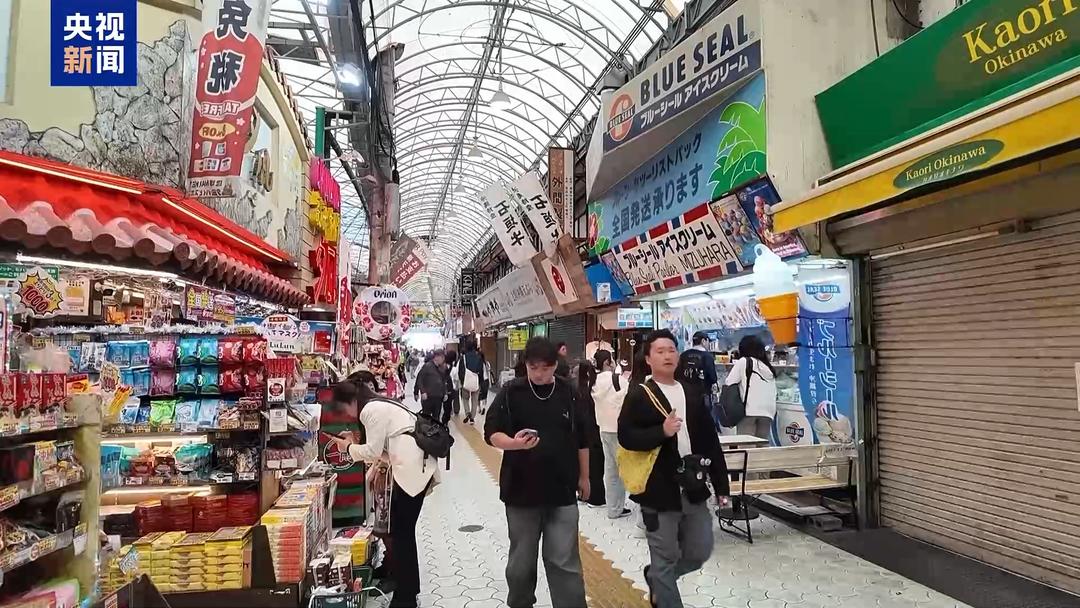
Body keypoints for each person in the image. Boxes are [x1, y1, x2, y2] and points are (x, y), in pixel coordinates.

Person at [618, 330, 730, 608]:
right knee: (665, 557)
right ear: (648, 359)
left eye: (671, 350)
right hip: (658, 490)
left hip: (693, 485)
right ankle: (663, 581)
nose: (667, 355)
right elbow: (626, 437)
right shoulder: (640, 395)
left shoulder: (691, 392)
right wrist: (662, 431)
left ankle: (658, 578)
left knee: (699, 551)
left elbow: (710, 441)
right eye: (660, 351)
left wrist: (722, 487)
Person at [484, 337, 590, 608]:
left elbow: (583, 438)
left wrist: (585, 477)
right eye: (534, 368)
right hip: (521, 491)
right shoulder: (511, 392)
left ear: (556, 365)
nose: (540, 374)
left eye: (546, 368)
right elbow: (491, 433)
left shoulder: (569, 392)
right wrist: (515, 444)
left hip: (563, 489)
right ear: (526, 365)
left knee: (564, 560)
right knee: (521, 562)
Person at [327, 380, 439, 608]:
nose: (347, 414)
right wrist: (354, 443)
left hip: (411, 472)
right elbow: (383, 450)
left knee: (402, 534)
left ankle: (406, 598)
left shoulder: (370, 410)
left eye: (344, 408)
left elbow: (372, 451)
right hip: (414, 467)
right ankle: (408, 591)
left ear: (351, 401)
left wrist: (347, 447)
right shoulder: (380, 404)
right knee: (403, 533)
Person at [591, 350, 631, 519]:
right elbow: (629, 398)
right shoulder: (617, 379)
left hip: (603, 428)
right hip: (618, 428)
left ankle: (613, 509)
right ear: (608, 362)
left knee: (610, 470)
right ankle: (619, 507)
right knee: (623, 469)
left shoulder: (594, 381)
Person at [724, 334, 777, 441]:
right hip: (768, 413)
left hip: (749, 411)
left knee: (746, 445)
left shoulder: (744, 361)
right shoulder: (768, 367)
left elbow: (729, 382)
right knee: (760, 446)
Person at [575, 361, 607, 509]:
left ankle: (583, 494)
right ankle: (596, 497)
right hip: (596, 427)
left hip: (582, 430)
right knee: (597, 465)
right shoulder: (595, 387)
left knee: (585, 464)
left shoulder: (577, 388)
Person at [677, 331, 720, 429]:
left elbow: (677, 375)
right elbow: (713, 378)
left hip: (685, 395)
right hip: (703, 396)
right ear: (703, 341)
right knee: (704, 424)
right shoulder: (707, 356)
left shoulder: (683, 355)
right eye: (708, 341)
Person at [457, 337, 487, 424]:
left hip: (466, 381)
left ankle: (467, 413)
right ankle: (472, 418)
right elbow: (481, 371)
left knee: (465, 398)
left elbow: (460, 370)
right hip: (476, 381)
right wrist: (480, 381)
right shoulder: (479, 357)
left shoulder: (463, 357)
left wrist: (462, 380)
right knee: (475, 399)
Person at [415, 349, 446, 418]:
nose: (443, 359)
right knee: (426, 417)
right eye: (442, 357)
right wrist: (421, 392)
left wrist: (445, 392)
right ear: (436, 357)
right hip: (428, 397)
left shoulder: (442, 368)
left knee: (436, 418)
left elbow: (443, 381)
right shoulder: (427, 366)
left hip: (438, 397)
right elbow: (419, 379)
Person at [442, 350, 460, 423]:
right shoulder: (454, 369)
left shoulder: (442, 367)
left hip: (442, 388)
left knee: (444, 405)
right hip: (451, 389)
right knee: (448, 405)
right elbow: (456, 380)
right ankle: (446, 419)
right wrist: (457, 387)